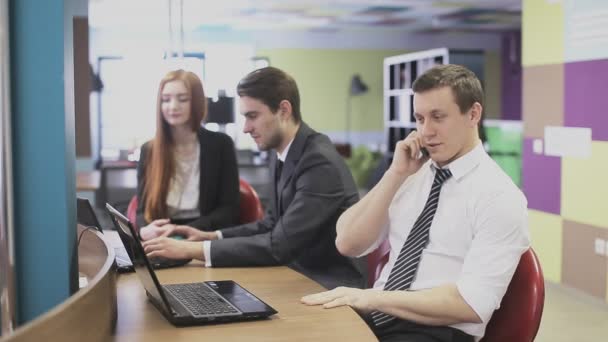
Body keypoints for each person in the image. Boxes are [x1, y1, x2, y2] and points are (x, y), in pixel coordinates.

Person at [301, 64, 530, 342]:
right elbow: (348, 243)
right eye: (419, 119)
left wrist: (374, 298)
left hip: (437, 331)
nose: (426, 131)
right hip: (379, 316)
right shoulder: (413, 172)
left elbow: (470, 304)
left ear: (473, 114)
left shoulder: (500, 196)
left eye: (438, 117)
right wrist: (395, 174)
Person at [141, 67, 364, 290]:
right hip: (295, 273)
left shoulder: (318, 162)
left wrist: (190, 250)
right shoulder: (284, 151)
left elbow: (279, 245)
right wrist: (211, 236)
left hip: (327, 283)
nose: (246, 128)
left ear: (284, 110)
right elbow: (271, 224)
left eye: (252, 116)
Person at [137, 69, 239, 238]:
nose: (173, 106)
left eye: (183, 99)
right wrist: (144, 230)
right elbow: (141, 210)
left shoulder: (221, 144)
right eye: (166, 99)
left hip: (204, 233)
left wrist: (183, 231)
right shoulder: (149, 150)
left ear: (197, 102)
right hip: (162, 236)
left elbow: (229, 209)